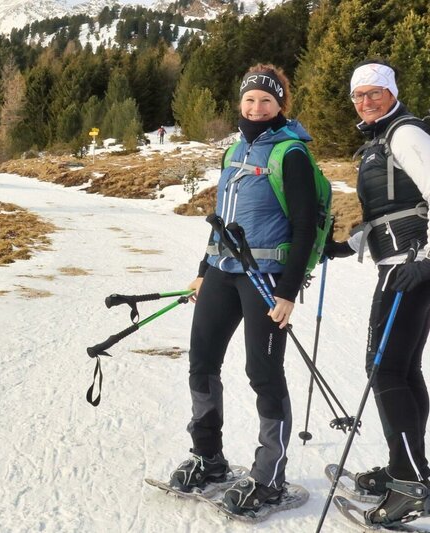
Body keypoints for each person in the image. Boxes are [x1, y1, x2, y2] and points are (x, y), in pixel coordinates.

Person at [168, 64, 318, 514]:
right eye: (250, 100)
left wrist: (289, 291)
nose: (256, 107)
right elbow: (221, 217)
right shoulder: (233, 151)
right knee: (202, 361)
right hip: (220, 271)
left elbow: (306, 224)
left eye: (266, 101)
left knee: (263, 373)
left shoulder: (291, 153)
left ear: (279, 106)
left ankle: (269, 477)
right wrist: (202, 267)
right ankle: (209, 458)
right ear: (240, 103)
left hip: (266, 279)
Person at [324, 60, 430, 527]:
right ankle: (410, 468)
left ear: (391, 91)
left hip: (412, 264)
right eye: (358, 95)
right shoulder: (380, 140)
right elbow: (391, 211)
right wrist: (345, 246)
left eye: (374, 92)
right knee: (401, 367)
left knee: (381, 368)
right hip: (404, 260)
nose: (365, 101)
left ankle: (409, 483)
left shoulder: (405, 133)